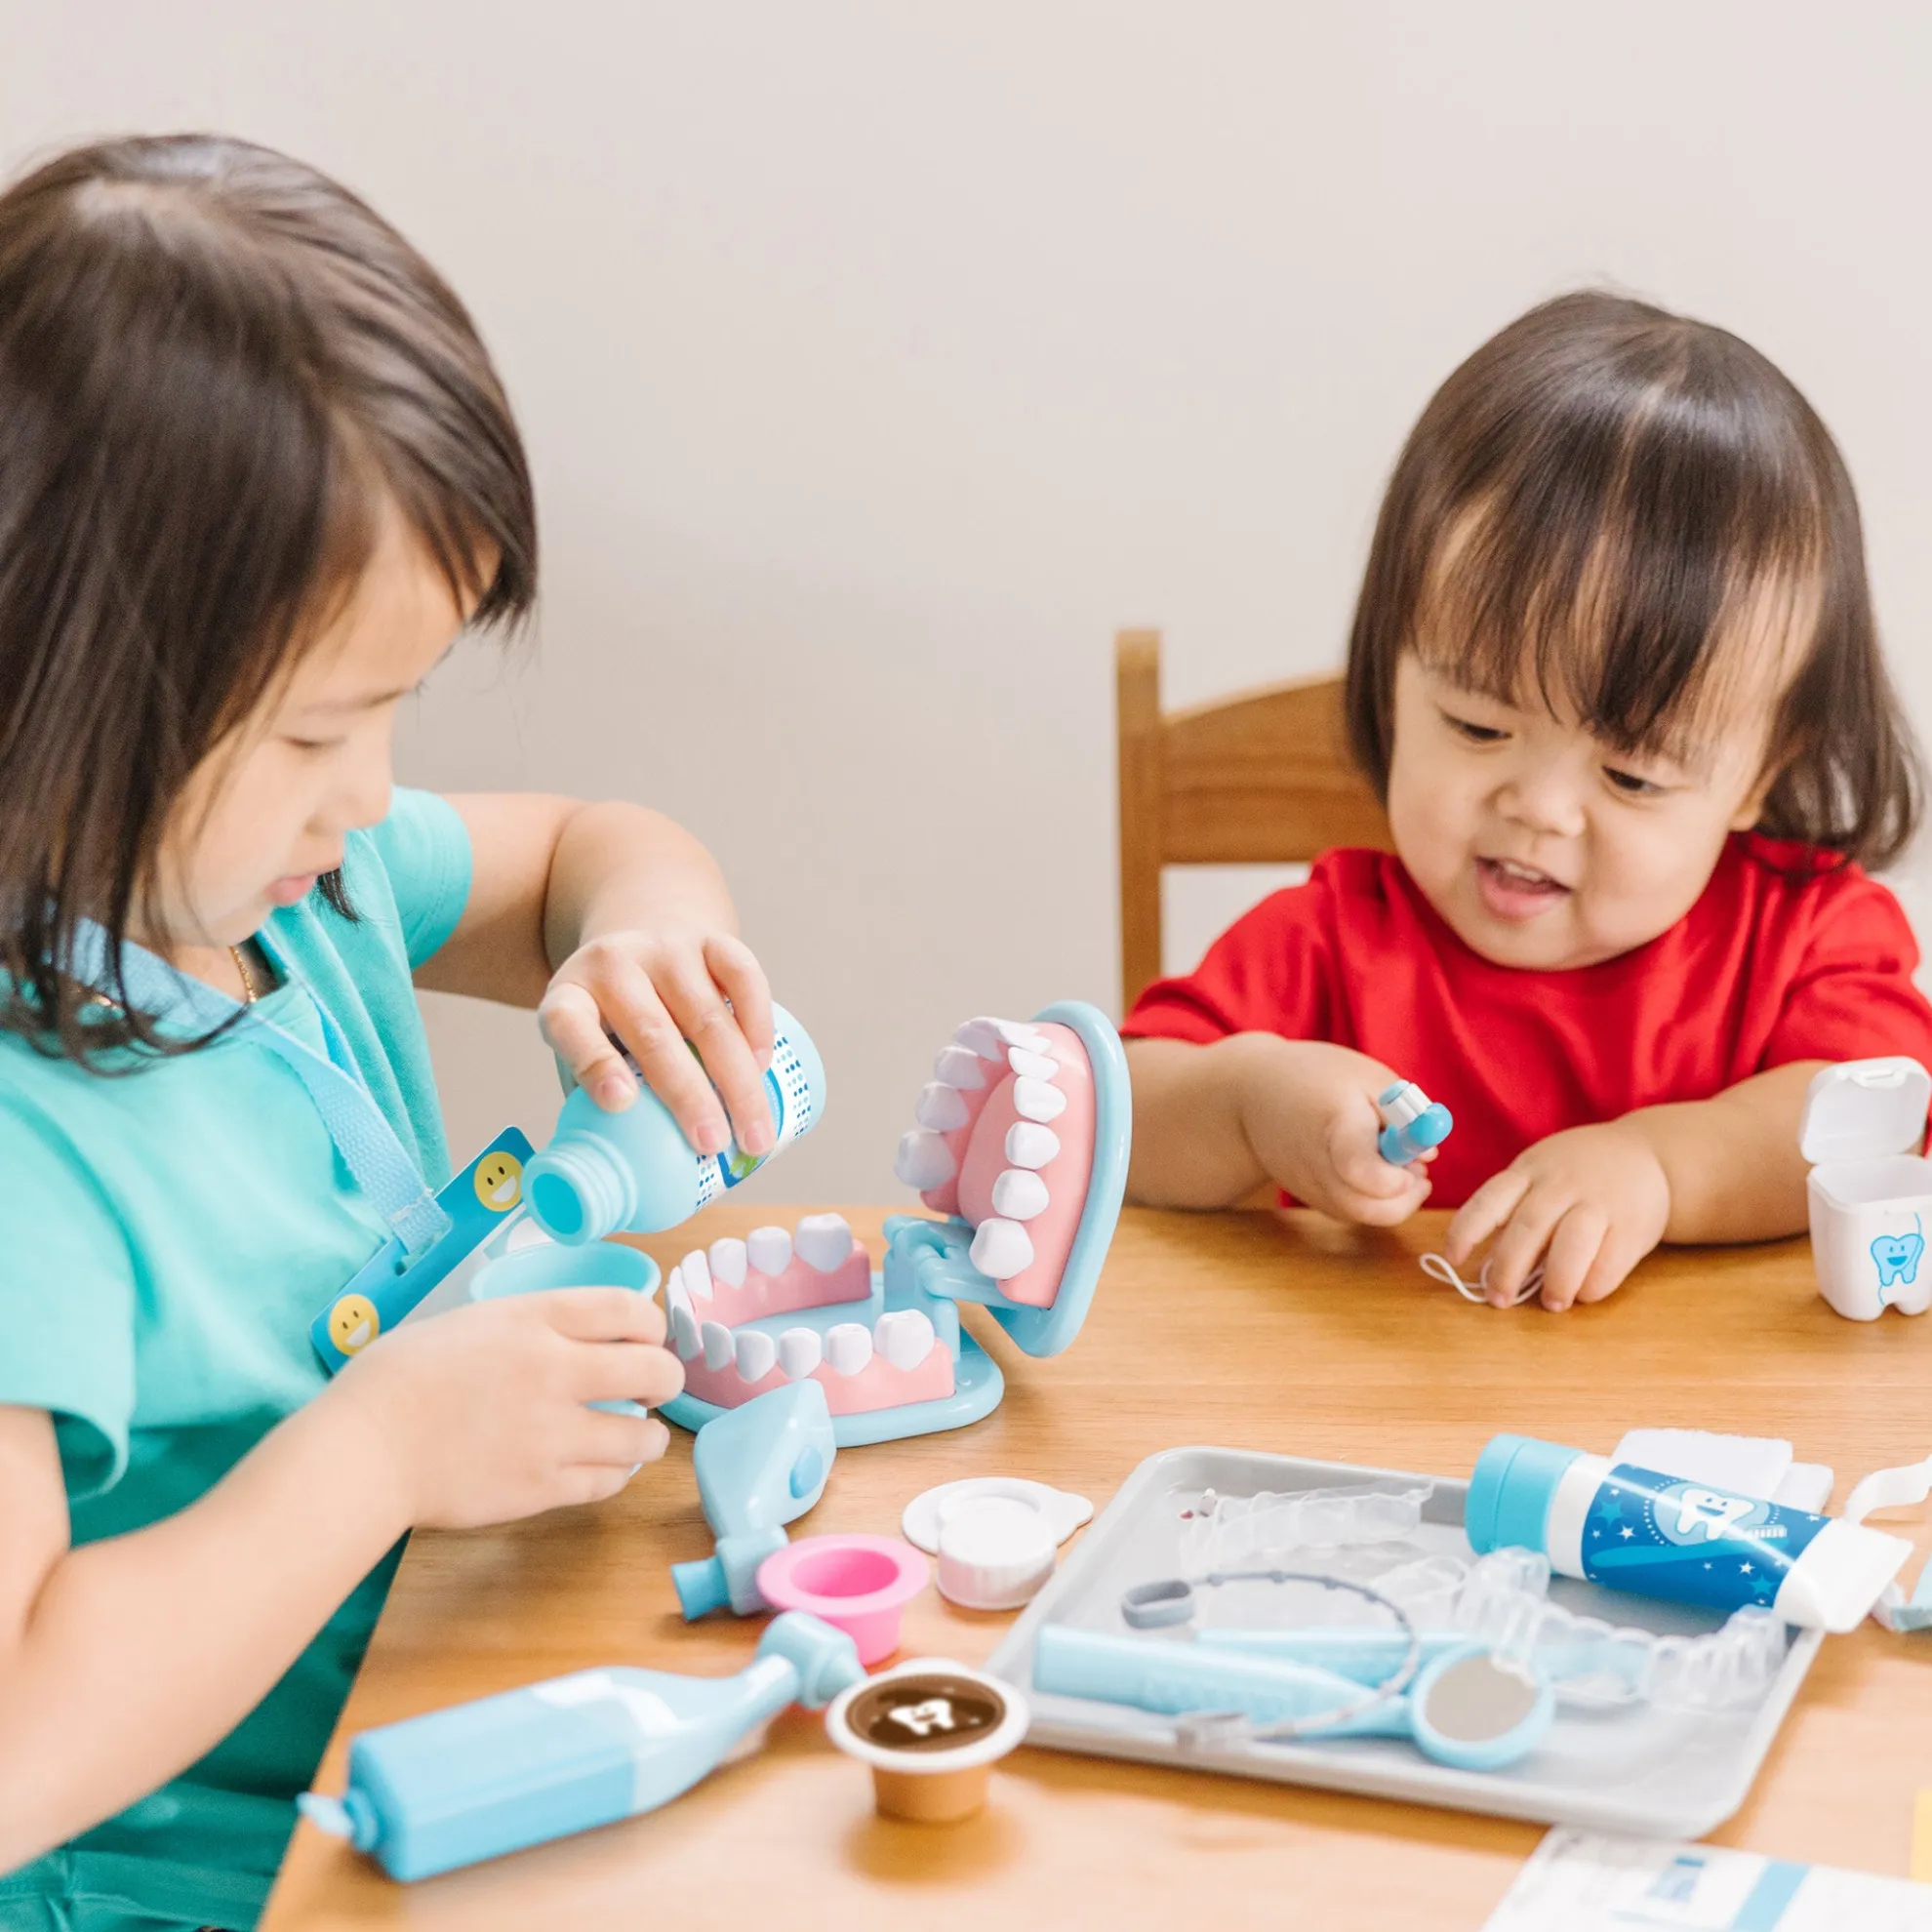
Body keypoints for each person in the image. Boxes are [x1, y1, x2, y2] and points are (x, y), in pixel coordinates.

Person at [0, 136, 772, 1927]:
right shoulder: (26, 1152)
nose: (371, 793)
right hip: (190, 1881)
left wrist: (654, 933)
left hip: (408, 1727)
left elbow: (586, 846)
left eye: (395, 710)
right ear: (54, 684)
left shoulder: (281, 888)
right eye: (311, 732)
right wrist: (383, 1453)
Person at [1124, 291, 1932, 1311]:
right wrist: (1250, 1104)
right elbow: (1119, 1120)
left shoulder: (1806, 939)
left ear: (1761, 778)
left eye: (1632, 776)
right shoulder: (1328, 944)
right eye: (1477, 725)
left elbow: (1877, 1128)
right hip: (1372, 1402)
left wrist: (1660, 1166)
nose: (1540, 808)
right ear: (1392, 676)